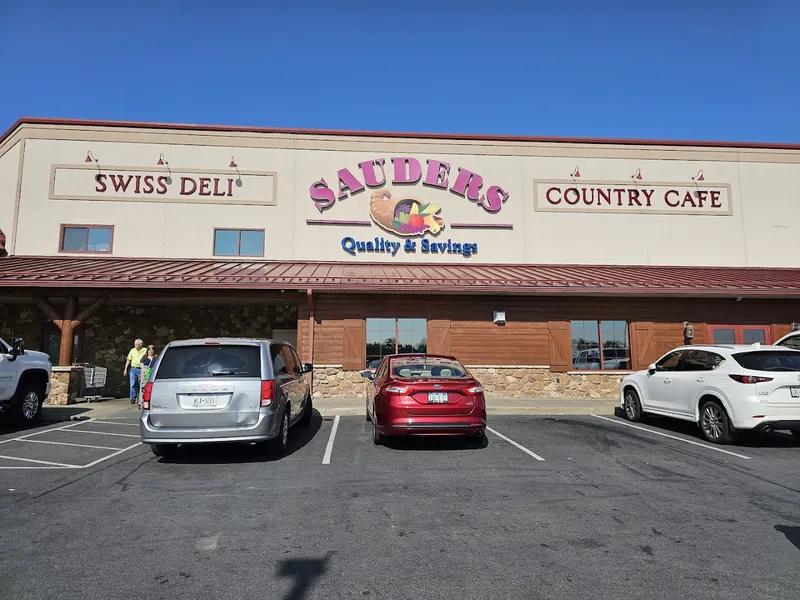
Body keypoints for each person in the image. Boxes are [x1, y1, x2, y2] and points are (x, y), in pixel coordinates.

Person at [123, 339, 147, 404]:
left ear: (141, 345)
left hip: (141, 369)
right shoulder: (132, 350)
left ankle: (140, 397)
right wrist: (125, 369)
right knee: (132, 384)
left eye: (136, 344)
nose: (135, 345)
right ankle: (132, 398)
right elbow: (128, 360)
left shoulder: (145, 350)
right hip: (133, 369)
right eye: (135, 344)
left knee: (141, 384)